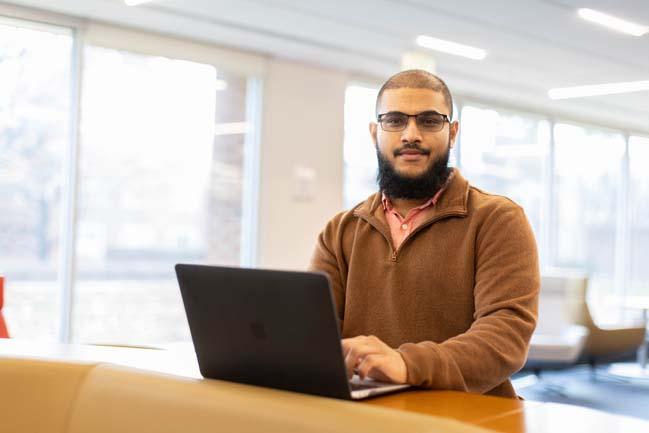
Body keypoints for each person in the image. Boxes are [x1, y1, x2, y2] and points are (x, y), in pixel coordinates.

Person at [309, 69, 539, 398]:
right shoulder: (341, 231)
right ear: (375, 133)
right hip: (366, 413)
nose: (411, 134)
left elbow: (505, 338)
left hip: (469, 418)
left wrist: (406, 364)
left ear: (453, 132)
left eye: (430, 121)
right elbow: (313, 335)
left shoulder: (498, 220)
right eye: (395, 120)